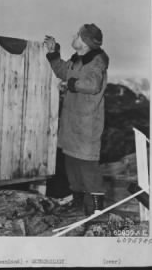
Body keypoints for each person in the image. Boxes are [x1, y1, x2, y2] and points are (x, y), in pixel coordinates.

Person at [44, 24, 109, 215]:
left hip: (87, 125)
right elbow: (63, 72)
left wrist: (71, 83)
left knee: (88, 167)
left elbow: (92, 85)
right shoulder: (78, 60)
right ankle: (80, 205)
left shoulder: (96, 61)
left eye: (78, 35)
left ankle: (97, 210)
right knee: (72, 166)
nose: (74, 36)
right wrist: (53, 53)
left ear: (85, 42)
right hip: (73, 124)